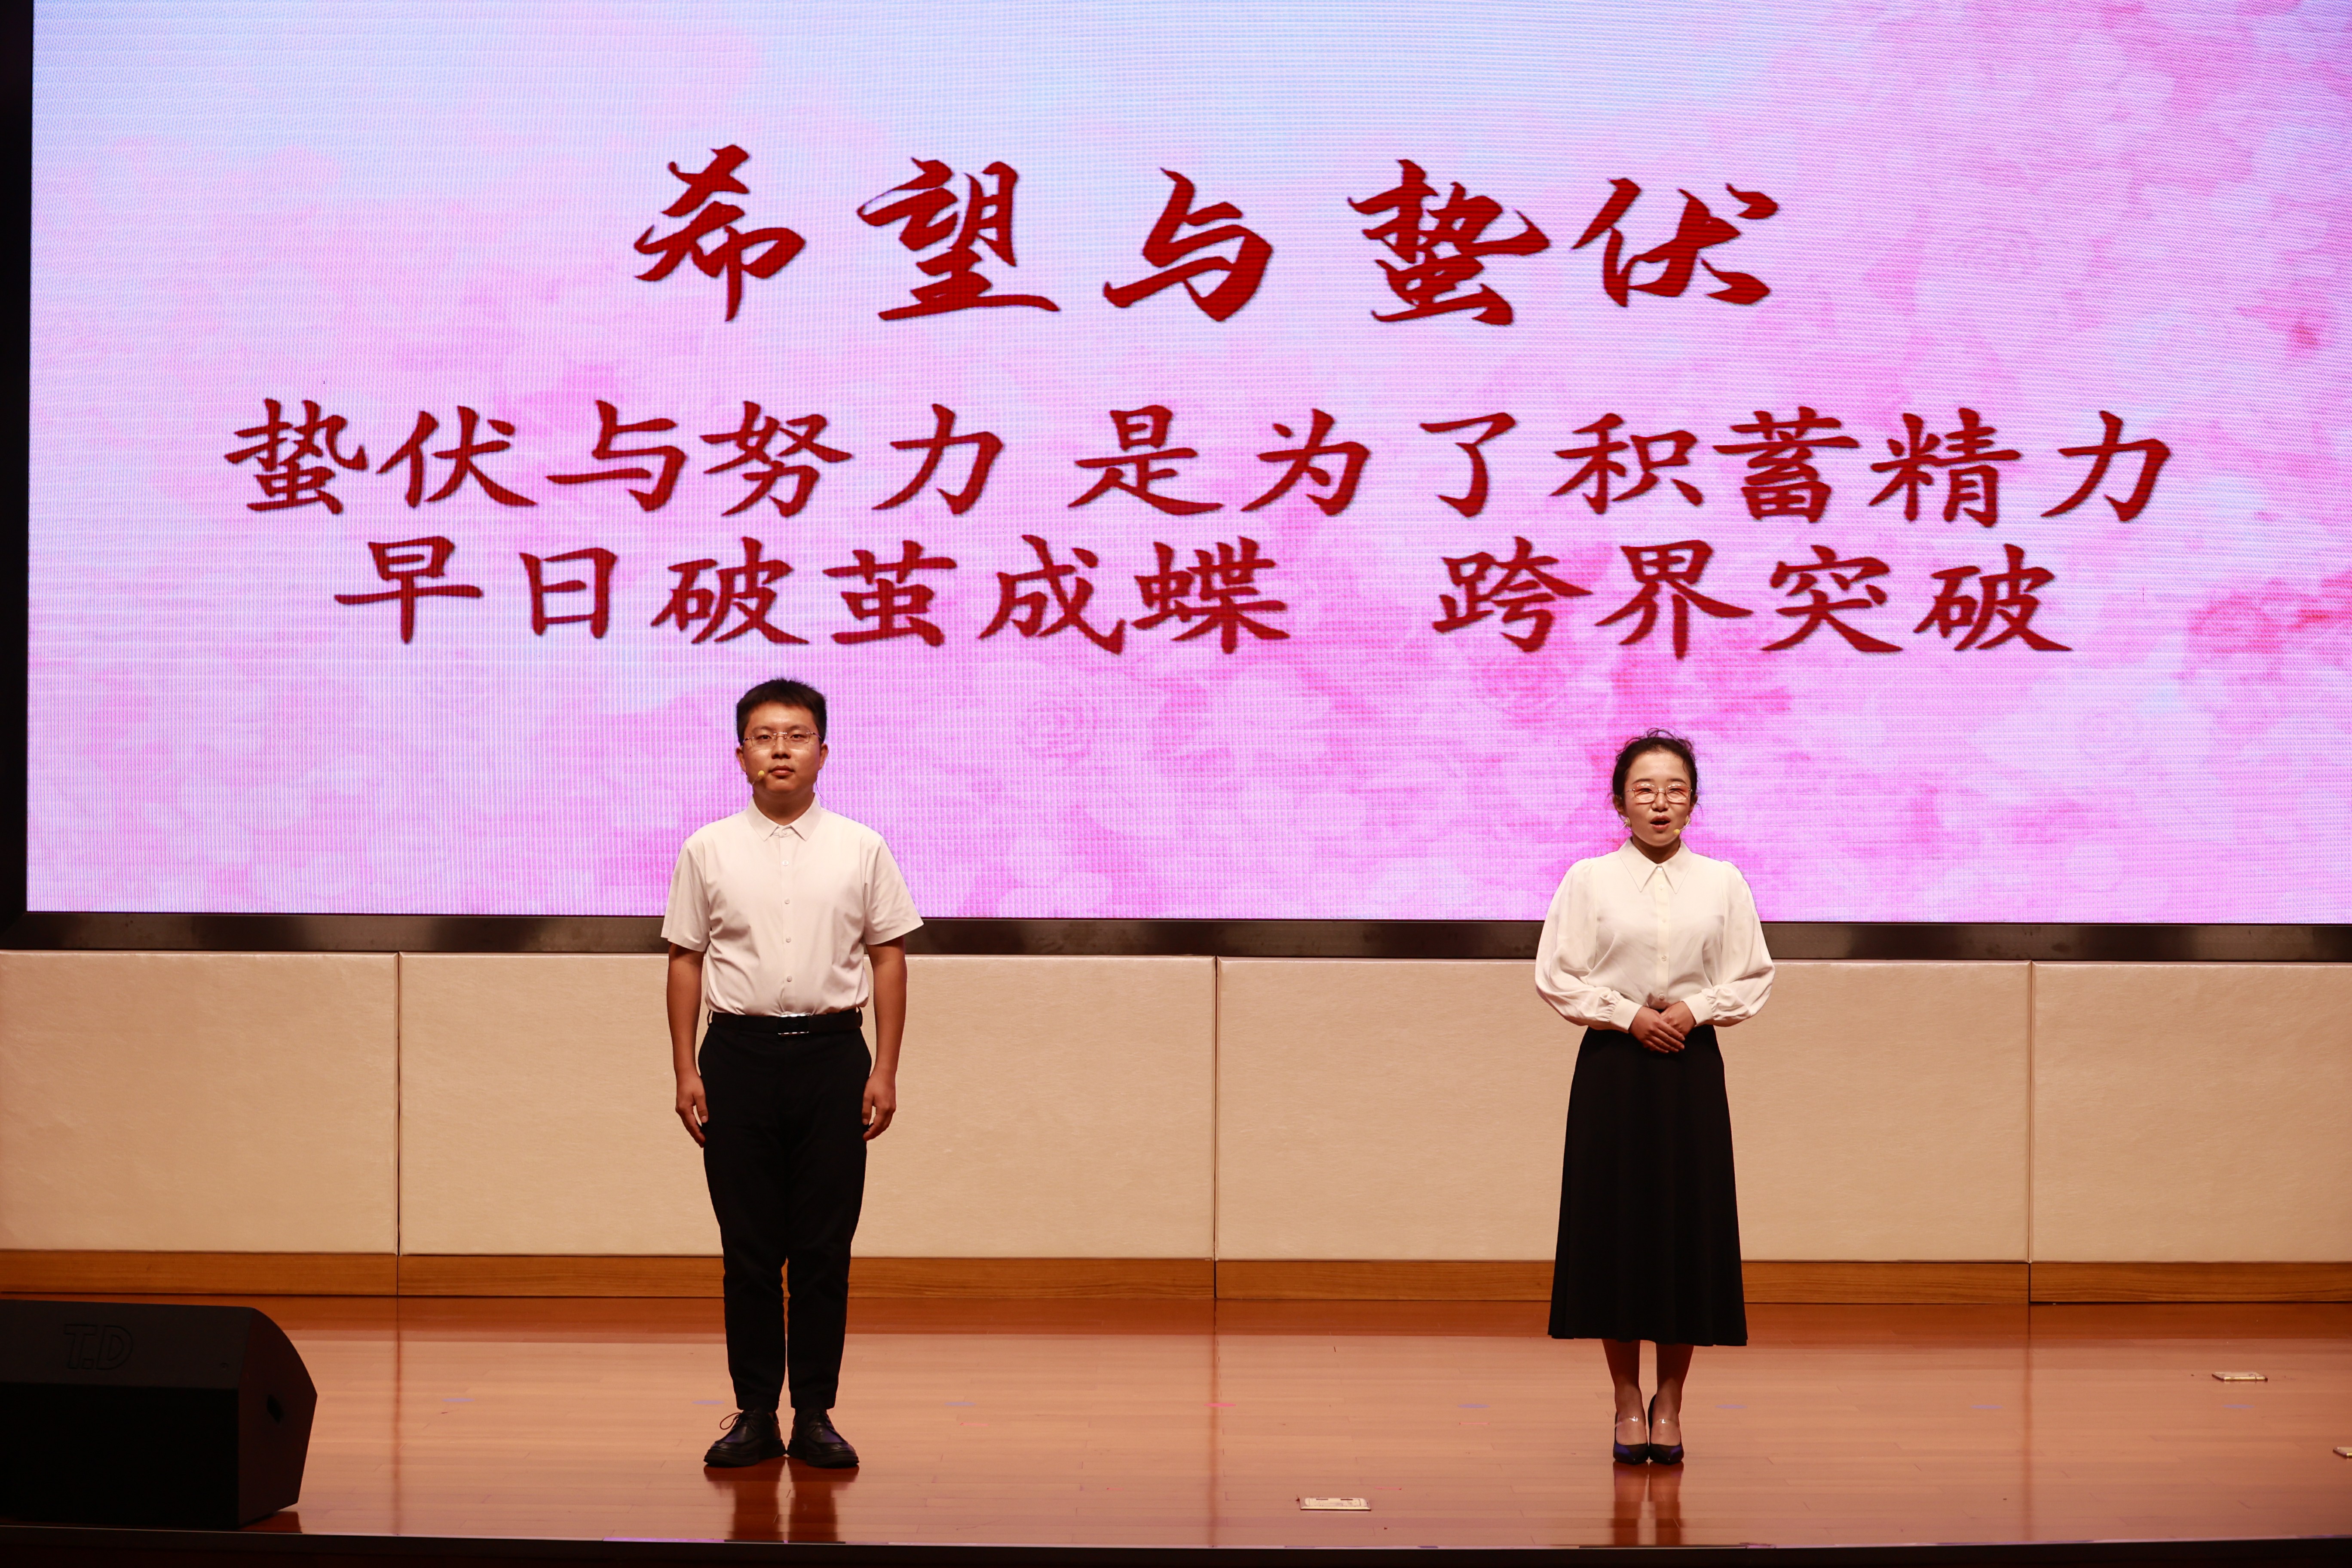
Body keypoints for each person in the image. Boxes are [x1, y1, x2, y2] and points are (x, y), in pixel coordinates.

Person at [664, 678, 920, 1469]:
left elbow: (888, 957)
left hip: (833, 1058)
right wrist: (685, 1069)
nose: (781, 749)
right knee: (747, 1247)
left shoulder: (861, 847)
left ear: (823, 752)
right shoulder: (707, 849)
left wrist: (884, 1069)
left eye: (797, 735)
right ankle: (753, 1413)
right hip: (735, 1059)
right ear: (741, 753)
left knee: (822, 1247)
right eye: (765, 736)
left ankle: (814, 1413)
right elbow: (685, 960)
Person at [1534, 729, 1773, 1466]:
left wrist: (1693, 1011)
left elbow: (1752, 974)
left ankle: (1670, 1401)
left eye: (1675, 790)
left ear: (1693, 802)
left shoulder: (1723, 882)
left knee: (1683, 1231)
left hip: (1689, 1065)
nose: (1660, 803)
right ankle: (1625, 1399)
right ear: (1620, 802)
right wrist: (1625, 1014)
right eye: (1645, 790)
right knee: (1616, 1232)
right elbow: (1557, 974)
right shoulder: (1588, 880)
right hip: (1614, 1064)